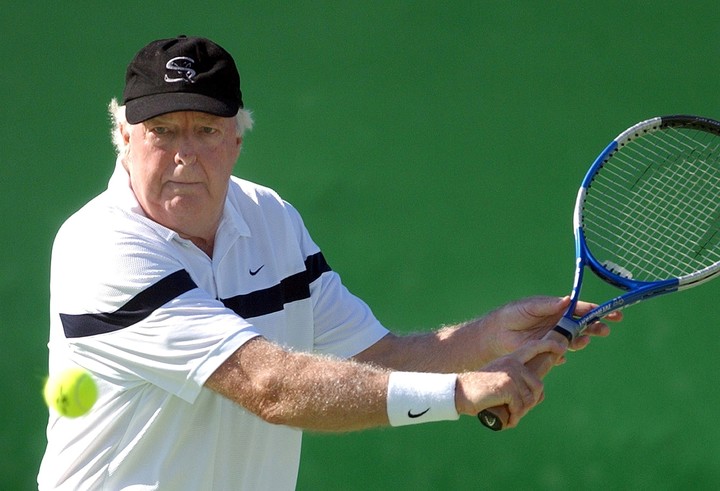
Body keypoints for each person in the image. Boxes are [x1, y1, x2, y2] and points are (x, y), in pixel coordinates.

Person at [37, 35, 615, 490]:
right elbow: (270, 386)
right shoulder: (100, 247)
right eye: (161, 131)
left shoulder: (271, 217)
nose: (184, 152)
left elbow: (374, 356)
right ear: (124, 136)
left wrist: (487, 337)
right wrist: (461, 392)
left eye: (206, 130)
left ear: (237, 140)